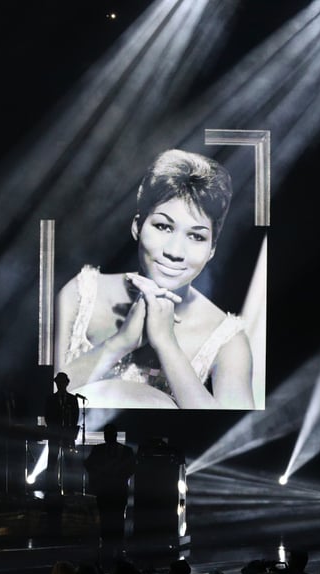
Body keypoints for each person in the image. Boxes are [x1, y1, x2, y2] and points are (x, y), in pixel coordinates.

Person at [55, 149, 254, 409]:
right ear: (138, 226)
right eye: (163, 226)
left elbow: (234, 436)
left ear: (212, 250)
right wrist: (121, 342)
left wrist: (166, 343)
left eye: (196, 236)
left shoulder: (229, 341)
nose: (174, 252)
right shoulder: (81, 294)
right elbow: (45, 403)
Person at [83, 422, 135, 552]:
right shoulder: (102, 450)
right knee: (106, 517)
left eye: (108, 434)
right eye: (106, 434)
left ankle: (116, 543)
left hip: (116, 490)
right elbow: (88, 464)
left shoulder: (124, 451)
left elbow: (132, 468)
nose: (107, 436)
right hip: (107, 490)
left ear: (114, 435)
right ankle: (109, 543)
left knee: (116, 517)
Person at [43, 372, 80, 492]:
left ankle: (69, 489)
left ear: (67, 383)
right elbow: (47, 416)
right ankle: (50, 488)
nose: (60, 384)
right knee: (52, 461)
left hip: (68, 436)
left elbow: (75, 416)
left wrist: (69, 430)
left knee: (69, 463)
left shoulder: (73, 399)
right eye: (58, 382)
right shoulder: (50, 399)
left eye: (63, 382)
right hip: (54, 434)